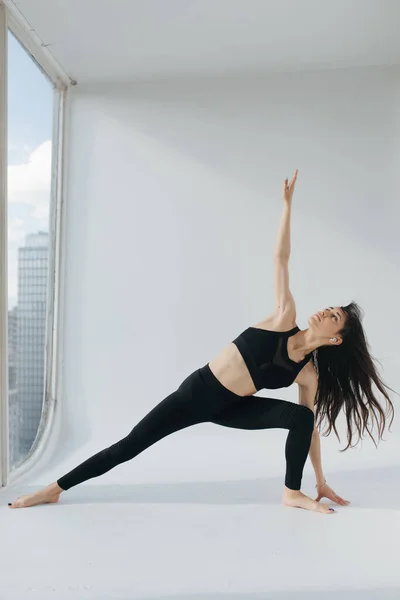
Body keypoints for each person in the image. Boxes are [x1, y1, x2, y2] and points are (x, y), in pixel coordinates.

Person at [8, 170, 396, 513]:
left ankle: (291, 493)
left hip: (234, 408)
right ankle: (53, 489)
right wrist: (286, 206)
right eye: (329, 307)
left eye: (334, 317)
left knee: (303, 417)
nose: (325, 312)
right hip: (196, 393)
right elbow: (280, 259)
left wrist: (320, 478)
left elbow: (307, 430)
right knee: (128, 447)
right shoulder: (284, 317)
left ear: (337, 339)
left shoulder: (308, 374)